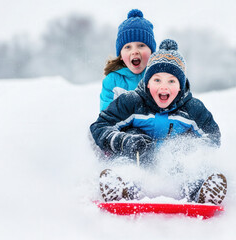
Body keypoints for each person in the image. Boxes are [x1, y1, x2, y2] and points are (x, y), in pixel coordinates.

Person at [91, 39, 227, 205]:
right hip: (139, 161)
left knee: (189, 161)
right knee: (127, 152)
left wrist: (190, 148)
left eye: (171, 81)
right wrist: (124, 141)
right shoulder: (132, 102)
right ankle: (122, 189)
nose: (164, 87)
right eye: (157, 80)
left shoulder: (192, 108)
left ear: (180, 86)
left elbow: (212, 135)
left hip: (175, 169)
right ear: (147, 83)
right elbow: (100, 126)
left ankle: (201, 192)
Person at [99, 9, 156, 111]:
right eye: (128, 47)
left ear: (151, 52)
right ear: (120, 55)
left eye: (141, 45)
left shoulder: (159, 77)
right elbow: (106, 116)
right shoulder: (112, 81)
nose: (135, 51)